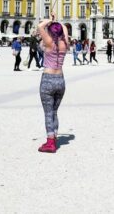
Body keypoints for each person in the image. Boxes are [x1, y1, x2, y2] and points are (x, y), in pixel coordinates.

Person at [36, 15, 69, 153]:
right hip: (60, 80)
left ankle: (50, 143)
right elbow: (65, 28)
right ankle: (54, 137)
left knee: (48, 113)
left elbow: (39, 27)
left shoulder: (48, 42)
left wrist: (50, 21)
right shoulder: (65, 44)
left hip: (48, 79)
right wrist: (57, 22)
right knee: (54, 112)